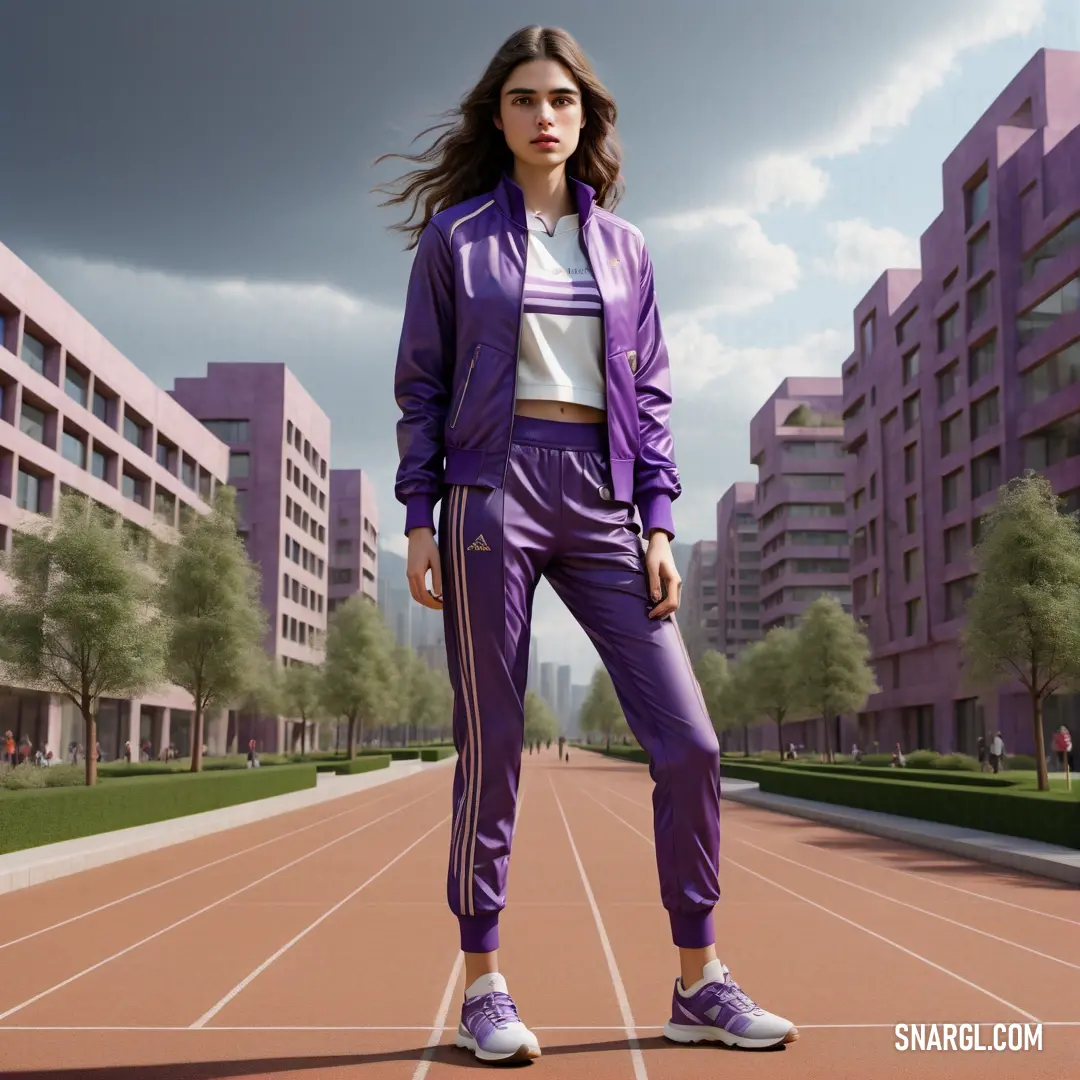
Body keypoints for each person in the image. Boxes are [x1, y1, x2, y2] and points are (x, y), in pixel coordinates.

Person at [377, 24, 797, 1064]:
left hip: (603, 498)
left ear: (585, 117)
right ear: (499, 117)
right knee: (497, 741)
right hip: (491, 490)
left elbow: (649, 396)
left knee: (691, 742)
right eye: (523, 100)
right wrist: (420, 519)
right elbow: (420, 386)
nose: (543, 117)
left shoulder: (628, 248)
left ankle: (698, 980)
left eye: (560, 100)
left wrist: (657, 522)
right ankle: (484, 986)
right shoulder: (456, 238)